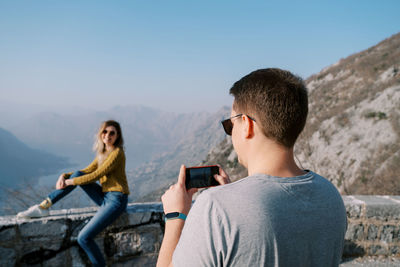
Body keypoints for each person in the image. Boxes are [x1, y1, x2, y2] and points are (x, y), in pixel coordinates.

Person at [157, 68, 347, 267]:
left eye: (230, 125)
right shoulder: (330, 195)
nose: (230, 134)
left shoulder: (216, 208)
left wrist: (175, 216)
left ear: (247, 125)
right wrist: (230, 196)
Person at [17, 120, 130, 267]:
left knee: (84, 238)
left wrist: (70, 182)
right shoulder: (103, 154)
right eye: (105, 132)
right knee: (77, 173)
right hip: (104, 197)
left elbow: (96, 175)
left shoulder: (117, 153)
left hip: (117, 200)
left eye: (112, 133)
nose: (108, 135)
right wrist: (64, 176)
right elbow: (85, 171)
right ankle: (44, 206)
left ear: (117, 136)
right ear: (101, 134)